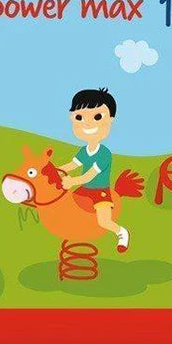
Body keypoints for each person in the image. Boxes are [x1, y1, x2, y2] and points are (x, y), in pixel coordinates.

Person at [56, 87, 130, 252]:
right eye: (79, 117)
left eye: (97, 117)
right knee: (67, 206)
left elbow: (89, 176)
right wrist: (55, 170)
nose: (88, 123)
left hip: (100, 192)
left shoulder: (104, 154)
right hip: (84, 189)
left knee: (103, 221)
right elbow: (72, 165)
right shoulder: (83, 151)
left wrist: (72, 181)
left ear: (110, 120)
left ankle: (121, 232)